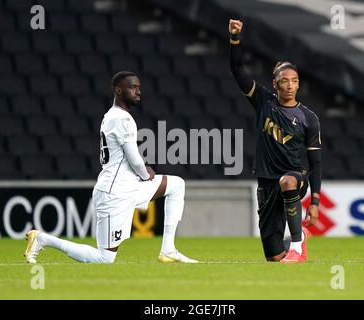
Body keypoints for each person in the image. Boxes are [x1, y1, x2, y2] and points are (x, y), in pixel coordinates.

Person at [24, 71, 198, 264]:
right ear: (118, 90)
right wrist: (145, 173)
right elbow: (134, 158)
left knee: (176, 185)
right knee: (104, 258)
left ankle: (168, 250)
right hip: (113, 194)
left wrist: (141, 174)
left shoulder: (113, 116)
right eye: (133, 87)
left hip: (129, 187)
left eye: (139, 87)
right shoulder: (121, 119)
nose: (138, 91)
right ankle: (42, 239)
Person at [229, 19, 322, 263]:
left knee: (288, 181)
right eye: (284, 81)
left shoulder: (308, 118)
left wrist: (314, 202)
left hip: (294, 176)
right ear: (275, 84)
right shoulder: (263, 101)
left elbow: (316, 163)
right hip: (266, 182)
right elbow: (237, 69)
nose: (290, 86)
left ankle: (297, 246)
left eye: (294, 81)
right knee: (274, 257)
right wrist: (235, 38)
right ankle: (297, 239)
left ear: (298, 84)